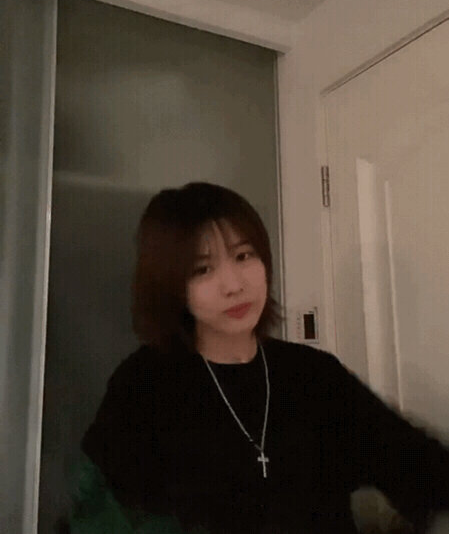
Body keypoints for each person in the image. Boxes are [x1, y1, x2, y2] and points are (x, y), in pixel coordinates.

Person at [68, 182, 449, 534]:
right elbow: (99, 515)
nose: (234, 285)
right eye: (203, 269)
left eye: (243, 255)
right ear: (170, 284)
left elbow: (416, 464)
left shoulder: (313, 375)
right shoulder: (143, 384)